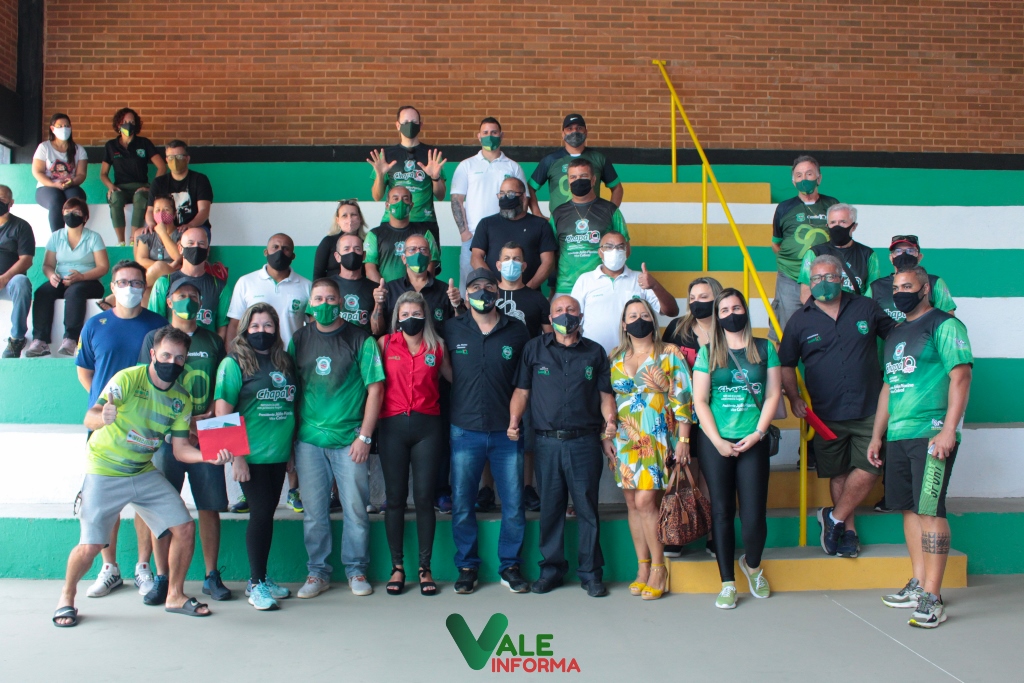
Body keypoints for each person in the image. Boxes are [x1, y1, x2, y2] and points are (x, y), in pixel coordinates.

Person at [52, 327, 233, 627]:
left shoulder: (181, 398)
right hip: (105, 469)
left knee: (184, 528)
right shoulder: (127, 379)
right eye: (166, 355)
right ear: (152, 354)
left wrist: (208, 457)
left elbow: (181, 450)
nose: (171, 362)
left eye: (179, 358)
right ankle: (66, 597)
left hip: (142, 470)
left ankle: (175, 595)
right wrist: (102, 417)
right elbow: (90, 416)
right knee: (91, 546)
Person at [868, 267, 973, 629]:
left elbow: (961, 376)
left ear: (925, 288)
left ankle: (933, 597)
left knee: (930, 510)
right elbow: (888, 387)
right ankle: (918, 583)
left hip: (931, 435)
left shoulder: (945, 325)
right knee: (909, 509)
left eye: (908, 286)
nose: (901, 292)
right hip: (898, 435)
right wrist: (877, 436)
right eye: (896, 287)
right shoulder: (896, 333)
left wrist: (948, 431)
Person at [779, 255, 895, 558]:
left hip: (870, 408)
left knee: (871, 466)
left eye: (828, 277)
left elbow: (897, 336)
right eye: (816, 278)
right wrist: (794, 398)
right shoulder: (799, 320)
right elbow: (786, 364)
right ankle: (848, 531)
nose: (822, 283)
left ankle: (833, 517)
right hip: (826, 413)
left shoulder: (866, 307)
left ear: (841, 278)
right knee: (839, 473)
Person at [509, 295, 616, 597]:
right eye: (558, 310)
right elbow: (521, 391)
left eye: (570, 310)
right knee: (551, 510)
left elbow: (606, 396)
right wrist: (514, 421)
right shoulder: (534, 349)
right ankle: (551, 571)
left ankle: (591, 574)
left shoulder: (595, 352)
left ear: (580, 316)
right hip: (546, 443)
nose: (564, 314)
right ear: (550, 317)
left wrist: (610, 422)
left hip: (584, 443)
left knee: (587, 510)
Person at [73, 260, 167, 598]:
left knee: (144, 499)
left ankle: (143, 567)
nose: (130, 288)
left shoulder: (158, 325)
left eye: (137, 282)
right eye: (123, 282)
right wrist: (104, 406)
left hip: (147, 428)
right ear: (112, 287)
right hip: (104, 427)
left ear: (145, 287)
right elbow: (85, 371)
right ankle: (109, 567)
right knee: (105, 502)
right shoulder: (94, 325)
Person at [289, 278, 384, 600]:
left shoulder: (360, 339)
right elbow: (291, 390)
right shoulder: (299, 339)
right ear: (310, 303)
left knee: (355, 509)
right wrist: (291, 442)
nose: (325, 304)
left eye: (331, 298)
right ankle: (317, 573)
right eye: (318, 299)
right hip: (309, 441)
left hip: (349, 441)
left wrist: (365, 437)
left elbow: (376, 390)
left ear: (341, 301)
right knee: (314, 512)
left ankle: (357, 570)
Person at [136, 278, 228, 605]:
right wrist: (179, 424)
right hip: (164, 436)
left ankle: (212, 575)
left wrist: (207, 417)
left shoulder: (213, 340)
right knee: (162, 508)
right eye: (181, 295)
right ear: (169, 301)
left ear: (201, 303)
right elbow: (146, 383)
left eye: (193, 296)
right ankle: (162, 577)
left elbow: (223, 384)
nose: (187, 300)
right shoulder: (154, 337)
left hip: (208, 432)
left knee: (209, 506)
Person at [692, 288, 781, 609]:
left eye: (737, 308)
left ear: (746, 310)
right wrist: (717, 441)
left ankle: (753, 566)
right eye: (725, 310)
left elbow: (772, 395)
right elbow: (700, 401)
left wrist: (758, 433)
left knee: (754, 514)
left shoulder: (765, 348)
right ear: (718, 317)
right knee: (722, 511)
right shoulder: (707, 352)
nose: (732, 314)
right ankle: (727, 582)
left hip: (753, 440)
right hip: (715, 441)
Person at [444, 268, 532, 594]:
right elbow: (444, 369)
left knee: (513, 504)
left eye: (489, 286)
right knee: (462, 503)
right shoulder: (451, 328)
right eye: (476, 286)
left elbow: (524, 382)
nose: (483, 291)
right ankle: (467, 566)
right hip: (464, 429)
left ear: (498, 291)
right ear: (466, 294)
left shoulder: (517, 330)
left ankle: (510, 566)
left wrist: (516, 419)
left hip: (506, 431)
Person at [215, 303, 298, 610]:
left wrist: (290, 451)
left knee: (267, 515)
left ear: (276, 329)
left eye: (268, 325)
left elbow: (290, 406)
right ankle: (255, 583)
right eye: (255, 325)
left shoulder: (283, 361)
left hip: (278, 453)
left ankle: (262, 577)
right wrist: (236, 457)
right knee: (261, 515)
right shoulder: (233, 363)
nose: (261, 331)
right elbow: (223, 412)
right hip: (251, 457)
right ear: (245, 329)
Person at [609, 298, 693, 600]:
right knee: (632, 503)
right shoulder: (615, 356)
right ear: (623, 324)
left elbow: (683, 397)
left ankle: (659, 568)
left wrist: (683, 440)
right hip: (624, 438)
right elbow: (609, 400)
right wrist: (606, 436)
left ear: (653, 320)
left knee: (645, 501)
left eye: (644, 314)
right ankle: (642, 567)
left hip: (657, 435)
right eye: (632, 315)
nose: (638, 319)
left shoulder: (668, 353)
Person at [377, 291, 451, 596]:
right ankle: (397, 567)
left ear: (426, 316)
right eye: (405, 314)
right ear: (397, 317)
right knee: (395, 499)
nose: (411, 319)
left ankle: (424, 567)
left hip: (428, 429)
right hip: (391, 428)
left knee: (423, 498)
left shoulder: (438, 346)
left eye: (417, 314)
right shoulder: (384, 344)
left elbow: (456, 380)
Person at [660, 276, 724, 557]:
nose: (697, 302)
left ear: (717, 298)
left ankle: (714, 534)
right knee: (684, 471)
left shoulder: (728, 331)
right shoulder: (678, 328)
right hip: (682, 414)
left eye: (704, 297)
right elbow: (663, 365)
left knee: (712, 476)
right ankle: (679, 530)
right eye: (693, 298)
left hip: (718, 414)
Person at [25, 198, 109, 357]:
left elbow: (103, 267)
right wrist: (51, 276)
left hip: (88, 281)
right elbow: (47, 265)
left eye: (76, 212)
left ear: (85, 217)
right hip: (61, 280)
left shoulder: (93, 237)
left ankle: (71, 339)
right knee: (42, 292)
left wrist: (82, 277)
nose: (71, 215)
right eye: (67, 212)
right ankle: (40, 340)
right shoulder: (56, 237)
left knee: (74, 292)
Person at [570, 231, 678, 355]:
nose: (615, 251)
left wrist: (655, 285)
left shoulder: (641, 279)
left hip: (633, 358)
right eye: (609, 247)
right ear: (600, 252)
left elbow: (672, 311)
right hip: (593, 356)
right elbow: (574, 320)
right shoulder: (585, 280)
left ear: (627, 252)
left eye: (620, 247)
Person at [451, 118, 529, 288]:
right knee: (470, 285)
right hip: (472, 237)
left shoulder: (513, 167)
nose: (489, 136)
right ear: (479, 136)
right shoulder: (466, 165)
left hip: (505, 236)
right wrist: (465, 233)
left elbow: (524, 200)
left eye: (494, 132)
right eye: (485, 133)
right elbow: (457, 200)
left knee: (505, 285)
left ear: (501, 135)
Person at [770, 155, 839, 339]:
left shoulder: (832, 205)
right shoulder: (784, 208)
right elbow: (776, 243)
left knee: (826, 328)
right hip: (790, 278)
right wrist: (791, 264)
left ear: (819, 178)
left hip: (824, 277)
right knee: (786, 331)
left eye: (809, 174)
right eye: (799, 175)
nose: (804, 179)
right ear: (793, 181)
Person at [367, 105, 447, 245]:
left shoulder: (431, 155)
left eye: (414, 122)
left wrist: (435, 177)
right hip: (393, 221)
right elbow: (376, 196)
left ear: (420, 125)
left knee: (427, 260)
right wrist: (379, 175)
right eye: (405, 122)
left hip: (424, 221)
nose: (410, 125)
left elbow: (441, 195)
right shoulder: (386, 155)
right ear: (398, 125)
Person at [550, 158, 630, 295]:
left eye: (583, 176)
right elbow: (552, 254)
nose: (578, 180)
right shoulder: (558, 213)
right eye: (573, 177)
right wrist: (553, 287)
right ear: (568, 181)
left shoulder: (610, 210)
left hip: (601, 286)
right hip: (566, 287)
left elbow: (625, 248)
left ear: (593, 180)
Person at [528, 113, 623, 218]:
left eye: (579, 128)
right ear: (563, 134)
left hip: (592, 220)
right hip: (560, 221)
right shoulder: (550, 160)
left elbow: (617, 188)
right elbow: (530, 188)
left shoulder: (599, 158)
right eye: (570, 129)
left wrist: (610, 214)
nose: (575, 132)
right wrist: (537, 214)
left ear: (586, 132)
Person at [471, 177, 556, 289]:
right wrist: (496, 287)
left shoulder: (541, 225)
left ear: (523, 196)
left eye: (511, 194)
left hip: (530, 293)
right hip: (495, 293)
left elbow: (548, 262)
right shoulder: (486, 224)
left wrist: (526, 290)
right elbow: (476, 258)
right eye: (502, 194)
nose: (505, 198)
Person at [226, 234, 311, 346]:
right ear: (266, 252)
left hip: (292, 354)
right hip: (254, 355)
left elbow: (312, 326)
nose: (280, 252)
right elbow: (234, 324)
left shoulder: (307, 286)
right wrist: (231, 353)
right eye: (275, 247)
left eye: (285, 248)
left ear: (293, 256)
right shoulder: (245, 282)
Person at [147, 226, 231, 339]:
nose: (196, 247)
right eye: (190, 243)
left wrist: (215, 348)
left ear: (208, 251)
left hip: (205, 348)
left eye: (201, 244)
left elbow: (222, 327)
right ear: (180, 248)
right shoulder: (164, 282)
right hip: (172, 346)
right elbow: (154, 323)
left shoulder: (220, 287)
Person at [371, 233, 462, 336]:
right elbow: (376, 331)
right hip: (398, 346)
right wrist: (378, 304)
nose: (418, 253)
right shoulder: (390, 290)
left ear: (429, 257)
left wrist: (457, 304)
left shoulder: (445, 291)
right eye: (412, 249)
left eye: (423, 249)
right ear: (404, 258)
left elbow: (461, 329)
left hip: (434, 345)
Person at [100, 108, 166, 245]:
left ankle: (133, 239)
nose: (128, 125)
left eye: (132, 122)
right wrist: (111, 187)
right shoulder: (111, 145)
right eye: (125, 122)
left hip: (141, 187)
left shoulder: (144, 143)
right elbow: (103, 173)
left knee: (140, 197)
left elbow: (162, 166)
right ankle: (120, 242)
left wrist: (151, 188)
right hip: (120, 188)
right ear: (118, 124)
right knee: (115, 198)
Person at [798, 203, 882, 303]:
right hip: (823, 309)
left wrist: (859, 310)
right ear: (827, 226)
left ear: (854, 226)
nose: (837, 226)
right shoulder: (814, 253)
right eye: (833, 222)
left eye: (843, 222)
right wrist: (822, 311)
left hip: (857, 309)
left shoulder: (868, 254)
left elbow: (873, 290)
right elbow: (806, 293)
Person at [871, 235, 956, 323]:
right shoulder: (876, 287)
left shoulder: (935, 283)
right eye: (898, 251)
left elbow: (948, 320)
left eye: (910, 251)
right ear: (891, 257)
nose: (904, 254)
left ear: (919, 257)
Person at [364, 186, 441, 283]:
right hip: (386, 291)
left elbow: (430, 265)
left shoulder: (424, 233)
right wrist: (385, 289)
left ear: (411, 205)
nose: (400, 203)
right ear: (387, 205)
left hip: (416, 292)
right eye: (395, 199)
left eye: (405, 199)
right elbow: (370, 269)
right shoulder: (374, 234)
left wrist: (420, 288)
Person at [32, 113, 88, 233]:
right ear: (52, 129)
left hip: (70, 185)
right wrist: (53, 184)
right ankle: (57, 237)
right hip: (46, 187)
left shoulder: (79, 150)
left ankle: (76, 234)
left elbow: (81, 175)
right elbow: (37, 172)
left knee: (76, 199)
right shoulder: (44, 147)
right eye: (60, 126)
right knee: (56, 200)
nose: (64, 129)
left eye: (67, 126)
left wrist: (72, 182)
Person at [145, 140, 213, 234]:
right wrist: (151, 224)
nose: (175, 161)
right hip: (166, 229)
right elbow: (150, 210)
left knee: (192, 236)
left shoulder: (200, 180)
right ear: (166, 159)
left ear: (187, 159)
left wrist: (190, 225)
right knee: (138, 235)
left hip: (195, 227)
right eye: (171, 157)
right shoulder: (158, 182)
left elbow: (204, 210)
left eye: (179, 156)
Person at [0, 184, 35, 358]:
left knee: (22, 282)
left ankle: (17, 339)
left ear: (11, 202)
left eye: (2, 199)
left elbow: (26, 260)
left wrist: (4, 278)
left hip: (9, 284)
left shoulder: (21, 226)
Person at [130, 195, 182, 306]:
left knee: (159, 266)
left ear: (174, 213)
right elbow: (141, 260)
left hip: (174, 277)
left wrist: (163, 233)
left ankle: (120, 295)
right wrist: (162, 267)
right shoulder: (147, 234)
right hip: (151, 280)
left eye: (166, 210)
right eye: (157, 210)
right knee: (145, 292)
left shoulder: (181, 233)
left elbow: (178, 257)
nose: (161, 213)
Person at [328, 233, 379, 333]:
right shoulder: (326, 286)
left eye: (357, 249)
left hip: (363, 341)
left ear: (364, 255)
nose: (352, 252)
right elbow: (314, 322)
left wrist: (379, 305)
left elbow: (377, 330)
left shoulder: (375, 289)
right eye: (346, 249)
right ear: (337, 256)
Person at [313, 199, 368, 280]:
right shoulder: (328, 242)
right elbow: (318, 274)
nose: (349, 219)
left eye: (353, 215)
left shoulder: (368, 242)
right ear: (337, 220)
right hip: (332, 287)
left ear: (360, 219)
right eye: (344, 215)